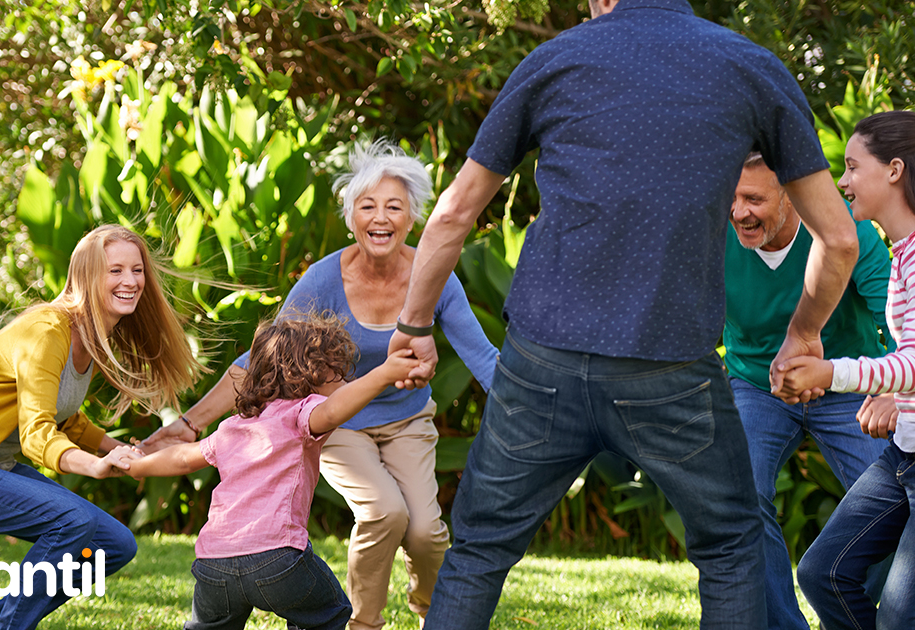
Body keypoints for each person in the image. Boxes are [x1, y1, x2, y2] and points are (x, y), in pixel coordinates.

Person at [384, 0, 862, 627]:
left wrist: (414, 326)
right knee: (730, 546)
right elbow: (841, 239)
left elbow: (452, 214)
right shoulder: (750, 66)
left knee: (479, 549)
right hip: (669, 371)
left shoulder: (555, 59)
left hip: (542, 361)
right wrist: (803, 334)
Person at [144, 140, 498, 629]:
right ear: (350, 217)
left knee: (425, 532)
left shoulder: (432, 275)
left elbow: (482, 354)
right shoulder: (323, 279)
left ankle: (434, 617)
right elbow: (264, 358)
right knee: (384, 512)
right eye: (367, 206)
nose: (380, 217)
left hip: (407, 420)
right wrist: (189, 423)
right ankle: (364, 625)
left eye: (394, 206)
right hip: (336, 423)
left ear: (412, 217)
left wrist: (532, 408)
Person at [0, 225, 204, 630]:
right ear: (86, 276)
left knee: (113, 545)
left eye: (137, 269)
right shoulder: (47, 331)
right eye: (115, 271)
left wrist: (122, 449)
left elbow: (64, 415)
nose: (130, 281)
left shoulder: (91, 334)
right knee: (71, 521)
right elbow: (37, 433)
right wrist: (94, 465)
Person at [115, 314, 420, 630]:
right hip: (277, 560)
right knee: (329, 612)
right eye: (338, 373)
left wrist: (135, 465)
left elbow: (182, 458)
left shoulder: (234, 426)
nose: (345, 383)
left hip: (214, 563)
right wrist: (385, 373)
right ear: (311, 375)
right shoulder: (300, 415)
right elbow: (332, 411)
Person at [725, 152, 895, 630]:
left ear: (791, 193)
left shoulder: (846, 232)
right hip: (757, 385)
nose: (738, 212)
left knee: (898, 502)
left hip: (849, 383)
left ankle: (848, 617)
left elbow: (898, 319)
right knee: (738, 490)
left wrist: (895, 391)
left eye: (753, 199)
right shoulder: (709, 237)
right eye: (731, 198)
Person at [774, 110, 915, 630]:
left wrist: (828, 373)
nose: (842, 181)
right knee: (823, 573)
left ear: (894, 170)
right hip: (903, 454)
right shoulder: (901, 255)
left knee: (898, 617)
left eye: (853, 167)